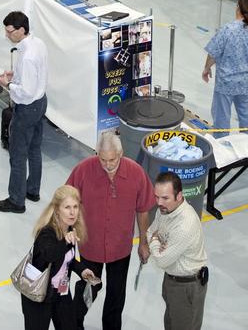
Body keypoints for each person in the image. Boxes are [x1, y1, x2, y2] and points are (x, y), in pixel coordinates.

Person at [65, 130, 155, 330]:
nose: (107, 164)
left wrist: (144, 243)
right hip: (90, 246)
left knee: (116, 294)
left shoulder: (136, 173)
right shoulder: (83, 170)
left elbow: (143, 210)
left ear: (121, 154)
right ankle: (72, 324)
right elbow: (66, 202)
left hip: (120, 249)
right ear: (97, 153)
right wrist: (67, 231)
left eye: (112, 159)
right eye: (103, 159)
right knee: (89, 287)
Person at [21, 185, 99, 330]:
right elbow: (50, 255)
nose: (72, 212)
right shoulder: (46, 233)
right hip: (39, 295)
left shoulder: (70, 229)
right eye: (67, 207)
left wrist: (82, 270)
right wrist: (65, 241)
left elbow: (70, 260)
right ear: (57, 210)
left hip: (61, 291)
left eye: (75, 207)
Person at [0, 11, 48, 214]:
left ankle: (17, 200)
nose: (7, 35)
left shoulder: (26, 57)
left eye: (9, 32)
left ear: (21, 30)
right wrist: (15, 76)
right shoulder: (38, 44)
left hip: (26, 109)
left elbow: (26, 91)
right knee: (34, 149)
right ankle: (32, 190)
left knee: (17, 155)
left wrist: (8, 84)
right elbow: (33, 78)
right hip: (40, 103)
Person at [144, 172, 208, 330]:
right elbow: (149, 231)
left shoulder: (185, 225)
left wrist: (155, 242)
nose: (159, 202)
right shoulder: (164, 210)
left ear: (179, 196)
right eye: (156, 197)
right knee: (170, 324)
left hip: (187, 287)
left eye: (165, 198)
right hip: (171, 280)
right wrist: (158, 243)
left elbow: (161, 260)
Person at [202, 0, 248, 136]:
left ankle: (221, 143)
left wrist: (206, 68)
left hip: (226, 83)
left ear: (237, 7)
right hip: (245, 83)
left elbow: (213, 54)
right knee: (245, 116)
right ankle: (246, 144)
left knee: (222, 117)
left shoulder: (227, 30)